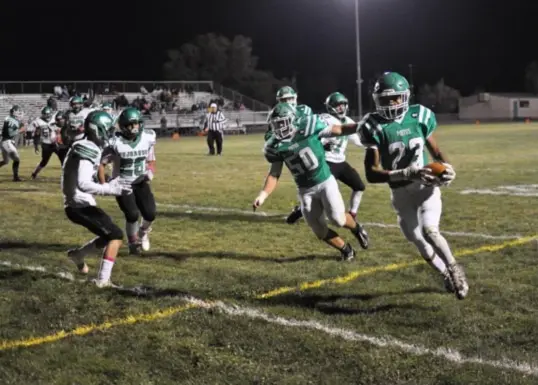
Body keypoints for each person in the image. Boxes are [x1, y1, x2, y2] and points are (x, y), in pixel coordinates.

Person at [357, 71, 468, 299]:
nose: (390, 103)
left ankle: (456, 270)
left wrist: (447, 167)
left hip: (425, 188)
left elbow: (435, 151)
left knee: (430, 231)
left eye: (395, 98)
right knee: (416, 239)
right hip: (400, 193)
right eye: (385, 99)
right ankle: (443, 273)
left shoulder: (420, 116)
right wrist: (406, 173)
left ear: (405, 96)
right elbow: (371, 174)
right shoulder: (373, 125)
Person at [253, 102, 368, 261]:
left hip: (325, 181)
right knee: (319, 231)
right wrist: (263, 194)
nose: (278, 128)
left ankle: (357, 228)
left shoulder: (308, 125)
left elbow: (339, 129)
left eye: (281, 123)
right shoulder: (274, 145)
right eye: (275, 125)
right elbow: (274, 173)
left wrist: (361, 126)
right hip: (305, 190)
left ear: (292, 120)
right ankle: (346, 250)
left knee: (338, 219)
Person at [62, 111, 132, 287]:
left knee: (107, 235)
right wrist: (109, 189)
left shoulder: (86, 144)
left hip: (80, 203)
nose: (109, 132)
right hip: (78, 205)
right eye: (107, 128)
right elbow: (83, 184)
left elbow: (84, 177)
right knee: (115, 235)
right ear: (97, 129)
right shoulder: (88, 147)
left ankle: (78, 255)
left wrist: (107, 180)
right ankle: (102, 281)